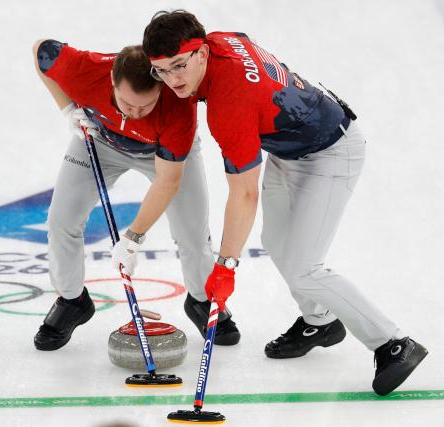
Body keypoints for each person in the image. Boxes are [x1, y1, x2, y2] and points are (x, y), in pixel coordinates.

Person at [138, 10, 427, 395]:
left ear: (202, 52)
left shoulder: (229, 106)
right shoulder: (221, 39)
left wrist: (225, 267)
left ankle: (393, 343)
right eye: (161, 70)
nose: (172, 80)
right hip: (289, 147)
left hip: (332, 151)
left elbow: (243, 193)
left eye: (178, 66)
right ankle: (319, 322)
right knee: (277, 243)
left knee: (305, 267)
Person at [32, 39, 241, 351]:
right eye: (127, 104)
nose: (136, 113)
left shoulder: (178, 109)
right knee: (61, 220)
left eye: (146, 106)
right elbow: (40, 51)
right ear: (112, 81)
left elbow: (168, 182)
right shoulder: (86, 70)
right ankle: (72, 300)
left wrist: (133, 238)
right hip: (99, 141)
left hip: (161, 154)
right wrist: (67, 108)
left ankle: (201, 301)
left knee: (192, 233)